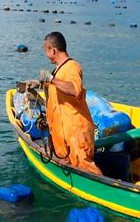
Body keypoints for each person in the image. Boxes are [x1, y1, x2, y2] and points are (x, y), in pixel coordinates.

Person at [38, 31, 102, 175]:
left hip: (76, 134)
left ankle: (110, 194)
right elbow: (57, 88)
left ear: (53, 50)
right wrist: (36, 84)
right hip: (65, 135)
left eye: (46, 51)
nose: (46, 55)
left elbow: (74, 89)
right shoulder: (58, 69)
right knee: (75, 166)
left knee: (87, 169)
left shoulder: (72, 67)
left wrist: (51, 79)